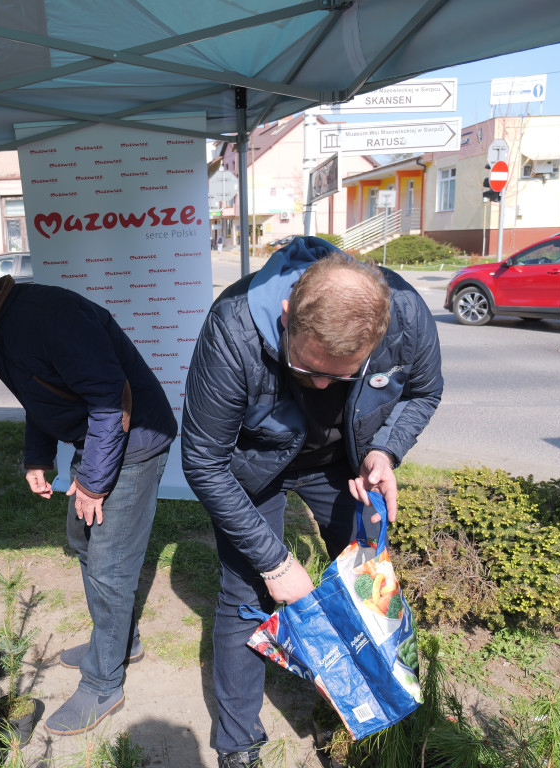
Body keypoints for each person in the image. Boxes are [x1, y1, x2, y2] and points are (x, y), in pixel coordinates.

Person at [180, 238, 443, 768]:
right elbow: (203, 461)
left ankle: (365, 719)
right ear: (286, 316)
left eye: (341, 375)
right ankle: (237, 744)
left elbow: (423, 392)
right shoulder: (232, 326)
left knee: (367, 584)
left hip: (340, 465)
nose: (322, 383)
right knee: (247, 595)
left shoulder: (407, 316)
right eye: (307, 368)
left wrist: (384, 451)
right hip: (253, 468)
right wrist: (276, 563)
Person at [0, 265, 177, 736]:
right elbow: (37, 394)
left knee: (110, 564)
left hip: (133, 441)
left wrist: (92, 483)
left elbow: (112, 403)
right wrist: (38, 456)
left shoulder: (50, 317)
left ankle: (103, 682)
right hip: (100, 438)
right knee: (83, 540)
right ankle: (118, 641)